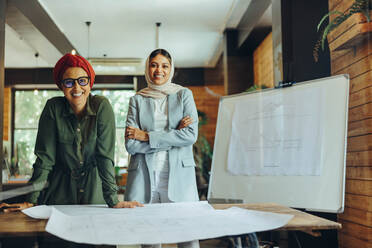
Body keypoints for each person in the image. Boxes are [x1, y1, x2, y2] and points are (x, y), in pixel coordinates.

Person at [0, 53, 142, 212]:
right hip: (59, 193)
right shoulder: (53, 108)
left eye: (82, 81)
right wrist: (30, 200)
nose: (77, 88)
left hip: (93, 192)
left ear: (90, 83)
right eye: (69, 82)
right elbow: (44, 159)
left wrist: (113, 200)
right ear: (61, 86)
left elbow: (104, 157)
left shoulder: (101, 106)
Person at [124, 49, 199, 248]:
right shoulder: (137, 100)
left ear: (171, 68)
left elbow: (190, 135)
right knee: (149, 238)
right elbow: (131, 144)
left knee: (187, 237)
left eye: (164, 65)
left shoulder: (184, 95)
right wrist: (174, 135)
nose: (159, 70)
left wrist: (147, 136)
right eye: (154, 65)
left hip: (179, 176)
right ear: (147, 68)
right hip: (144, 176)